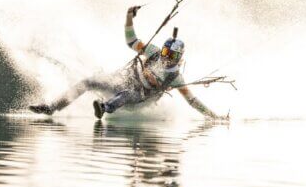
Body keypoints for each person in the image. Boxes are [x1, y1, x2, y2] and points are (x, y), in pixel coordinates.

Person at [29, 6, 225, 120]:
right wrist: (128, 17)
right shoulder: (153, 51)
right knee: (89, 82)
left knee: (127, 94)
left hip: (140, 99)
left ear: (179, 58)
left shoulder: (176, 77)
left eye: (171, 55)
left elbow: (192, 101)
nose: (166, 57)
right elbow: (131, 41)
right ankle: (51, 108)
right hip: (124, 81)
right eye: (165, 52)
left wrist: (214, 116)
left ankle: (104, 108)